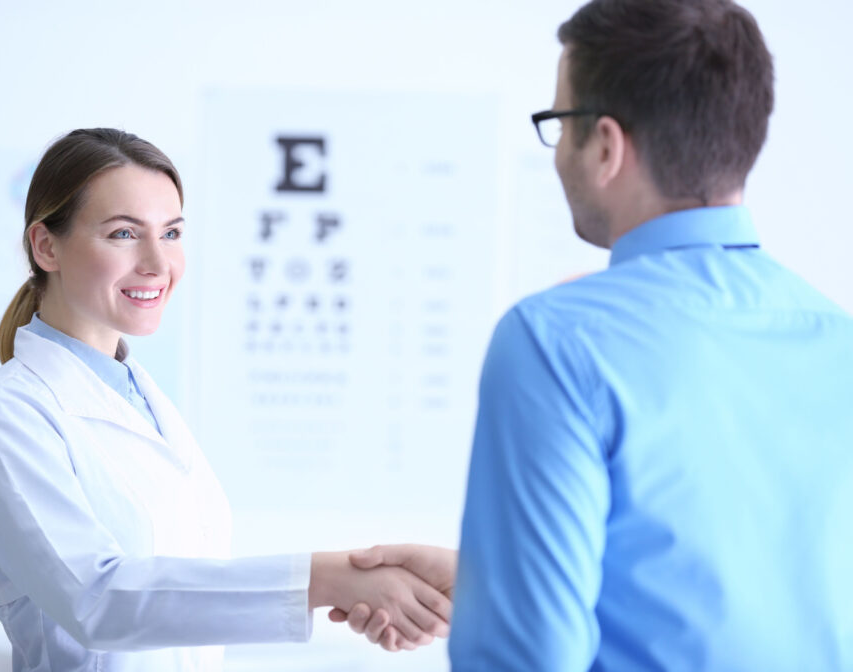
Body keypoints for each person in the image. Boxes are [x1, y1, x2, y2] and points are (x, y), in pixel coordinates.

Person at [341, 0, 853, 669]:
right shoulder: (836, 339)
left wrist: (509, 604)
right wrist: (503, 580)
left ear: (606, 145)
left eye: (559, 122)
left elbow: (528, 659)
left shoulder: (553, 342)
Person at [0, 128, 454, 672]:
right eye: (123, 233)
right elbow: (98, 599)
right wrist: (324, 580)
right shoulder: (7, 415)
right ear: (46, 246)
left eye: (172, 233)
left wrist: (356, 591)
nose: (158, 264)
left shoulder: (140, 398)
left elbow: (185, 599)